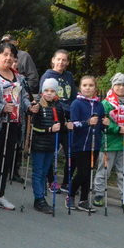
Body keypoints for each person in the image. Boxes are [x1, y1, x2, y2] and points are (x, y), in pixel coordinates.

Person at [0, 42, 31, 212]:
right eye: (5, 54)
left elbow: (22, 98)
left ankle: (0, 194)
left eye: (12, 55)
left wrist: (30, 106)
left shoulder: (19, 77)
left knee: (6, 160)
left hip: (14, 123)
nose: (8, 58)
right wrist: (1, 107)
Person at [93, 73, 124, 211]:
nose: (121, 87)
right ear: (113, 86)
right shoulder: (106, 104)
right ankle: (99, 194)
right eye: (118, 84)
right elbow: (103, 123)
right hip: (109, 143)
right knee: (104, 171)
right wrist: (117, 128)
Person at [40, 49, 76, 192]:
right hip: (54, 117)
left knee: (71, 152)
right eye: (58, 59)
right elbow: (46, 97)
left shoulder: (69, 76)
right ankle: (51, 181)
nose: (61, 62)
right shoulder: (48, 76)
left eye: (64, 60)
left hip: (68, 120)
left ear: (67, 62)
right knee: (51, 151)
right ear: (53, 60)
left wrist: (73, 112)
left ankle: (67, 182)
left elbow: (73, 96)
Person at [67, 75, 105, 212]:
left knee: (88, 173)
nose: (88, 88)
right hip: (80, 144)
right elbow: (74, 123)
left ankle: (83, 200)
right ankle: (70, 195)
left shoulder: (99, 105)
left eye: (91, 85)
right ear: (80, 87)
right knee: (82, 172)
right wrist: (87, 123)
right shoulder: (76, 103)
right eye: (85, 85)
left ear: (95, 88)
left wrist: (105, 123)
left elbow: (101, 125)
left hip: (94, 144)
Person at [29, 78, 65, 214]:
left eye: (52, 91)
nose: (49, 93)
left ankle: (41, 196)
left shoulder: (58, 106)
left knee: (44, 172)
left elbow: (61, 124)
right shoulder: (38, 105)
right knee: (38, 172)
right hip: (39, 144)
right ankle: (39, 199)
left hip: (51, 145)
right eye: (46, 90)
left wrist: (65, 126)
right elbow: (34, 127)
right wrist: (49, 130)